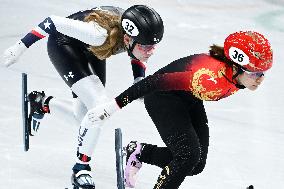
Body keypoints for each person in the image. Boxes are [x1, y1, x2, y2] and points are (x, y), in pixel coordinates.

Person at [81, 31, 273, 189]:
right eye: (256, 73)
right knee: (188, 156)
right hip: (162, 99)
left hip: (189, 99)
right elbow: (152, 83)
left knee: (196, 165)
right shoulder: (206, 76)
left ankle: (139, 152)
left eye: (263, 73)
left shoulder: (232, 75)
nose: (260, 79)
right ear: (236, 66)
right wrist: (111, 107)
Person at [2, 5, 164, 188]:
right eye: (146, 46)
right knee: (99, 106)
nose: (151, 51)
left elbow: (138, 57)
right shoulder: (99, 34)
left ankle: (42, 103)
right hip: (65, 45)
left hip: (92, 50)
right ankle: (81, 168)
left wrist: (138, 80)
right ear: (127, 39)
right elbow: (52, 22)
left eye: (153, 46)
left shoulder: (133, 35)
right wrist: (20, 47)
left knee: (84, 119)